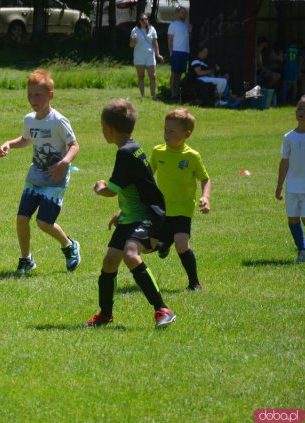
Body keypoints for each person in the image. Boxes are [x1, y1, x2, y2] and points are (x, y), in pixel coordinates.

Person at [83, 99, 175, 329]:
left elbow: (110, 191)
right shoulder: (132, 147)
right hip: (131, 216)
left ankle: (163, 309)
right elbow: (137, 185)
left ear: (109, 129)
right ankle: (105, 315)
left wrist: (98, 186)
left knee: (131, 255)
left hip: (146, 216)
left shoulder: (125, 153)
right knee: (110, 261)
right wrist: (122, 211)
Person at [0, 69, 81, 275]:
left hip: (55, 178)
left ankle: (69, 246)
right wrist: (8, 144)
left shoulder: (59, 121)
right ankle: (26, 260)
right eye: (30, 95)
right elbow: (26, 140)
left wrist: (64, 163)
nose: (33, 99)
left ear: (50, 95)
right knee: (22, 218)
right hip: (35, 176)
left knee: (44, 222)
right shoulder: (29, 120)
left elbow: (74, 145)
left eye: (38, 95)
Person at [151, 109, 211, 291]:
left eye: (171, 131)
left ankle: (194, 282)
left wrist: (205, 197)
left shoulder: (192, 156)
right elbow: (146, 176)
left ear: (187, 134)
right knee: (148, 247)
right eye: (165, 129)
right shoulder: (158, 152)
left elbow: (205, 179)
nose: (166, 134)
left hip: (183, 208)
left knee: (182, 245)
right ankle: (163, 244)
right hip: (161, 209)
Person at [275, 95, 305, 264]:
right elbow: (284, 162)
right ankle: (302, 249)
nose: (302, 112)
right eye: (300, 108)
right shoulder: (289, 137)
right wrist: (279, 186)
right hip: (293, 186)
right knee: (293, 218)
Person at [130, 13, 164, 99]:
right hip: (139, 56)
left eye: (146, 19)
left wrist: (158, 54)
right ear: (139, 21)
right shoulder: (135, 30)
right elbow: (131, 45)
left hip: (150, 56)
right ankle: (143, 96)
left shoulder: (152, 29)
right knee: (141, 76)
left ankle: (153, 95)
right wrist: (133, 40)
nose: (144, 21)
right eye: (142, 19)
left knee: (153, 76)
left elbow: (155, 43)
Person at [167, 6, 191, 100]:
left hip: (185, 51)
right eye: (182, 12)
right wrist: (171, 51)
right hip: (176, 51)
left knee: (180, 74)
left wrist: (190, 31)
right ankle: (172, 93)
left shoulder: (186, 25)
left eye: (185, 13)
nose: (183, 14)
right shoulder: (173, 24)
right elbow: (170, 39)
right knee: (174, 73)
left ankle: (176, 93)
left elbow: (190, 39)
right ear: (177, 13)